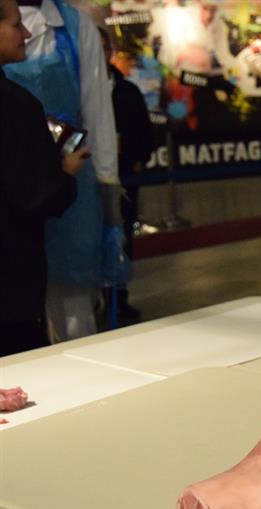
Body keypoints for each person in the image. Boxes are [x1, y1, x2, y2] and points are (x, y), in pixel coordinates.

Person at [4, 0, 120, 342]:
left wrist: (107, 182)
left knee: (73, 305)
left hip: (71, 181)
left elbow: (97, 108)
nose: (23, 34)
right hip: (17, 180)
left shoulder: (75, 25)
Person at [0, 0, 85, 356]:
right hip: (10, 289)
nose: (27, 33)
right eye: (16, 25)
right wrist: (63, 173)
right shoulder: (16, 106)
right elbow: (36, 194)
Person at [99, 26, 153, 322]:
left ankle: (119, 296)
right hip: (90, 175)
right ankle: (99, 298)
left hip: (124, 176)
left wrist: (137, 160)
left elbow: (143, 129)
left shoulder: (127, 90)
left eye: (106, 49)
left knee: (121, 235)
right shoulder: (82, 87)